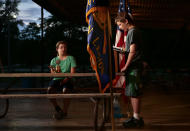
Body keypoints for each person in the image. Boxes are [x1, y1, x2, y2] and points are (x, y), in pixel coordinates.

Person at [115, 13, 144, 128]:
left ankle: (136, 119)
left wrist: (126, 66)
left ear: (126, 21)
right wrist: (116, 48)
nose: (120, 28)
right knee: (133, 92)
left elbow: (132, 51)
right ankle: (135, 117)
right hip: (135, 66)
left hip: (134, 66)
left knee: (134, 92)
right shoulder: (134, 31)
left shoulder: (132, 31)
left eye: (120, 25)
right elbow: (127, 49)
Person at [47, 41, 77, 120]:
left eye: (65, 47)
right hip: (57, 79)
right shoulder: (53, 60)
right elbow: (53, 74)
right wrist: (53, 70)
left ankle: (64, 111)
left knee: (65, 90)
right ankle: (57, 108)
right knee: (49, 90)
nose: (63, 49)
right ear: (57, 49)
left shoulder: (71, 58)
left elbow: (72, 73)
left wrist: (66, 79)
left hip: (68, 78)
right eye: (61, 47)